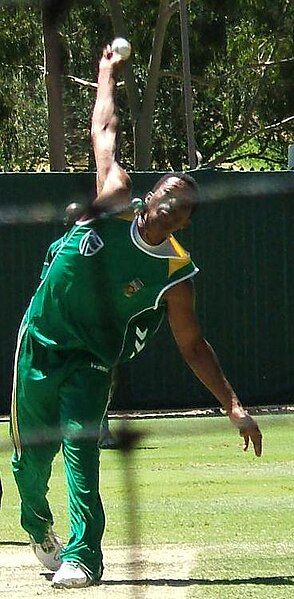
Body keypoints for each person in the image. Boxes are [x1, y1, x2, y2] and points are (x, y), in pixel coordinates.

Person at [11, 45, 262, 589]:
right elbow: (104, 130)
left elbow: (194, 346)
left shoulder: (176, 271)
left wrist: (235, 406)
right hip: (38, 341)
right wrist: (104, 74)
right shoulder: (116, 199)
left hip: (92, 360)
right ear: (150, 199)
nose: (168, 211)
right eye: (165, 200)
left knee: (81, 449)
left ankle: (84, 558)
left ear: (185, 222)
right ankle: (39, 528)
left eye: (181, 210)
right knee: (30, 465)